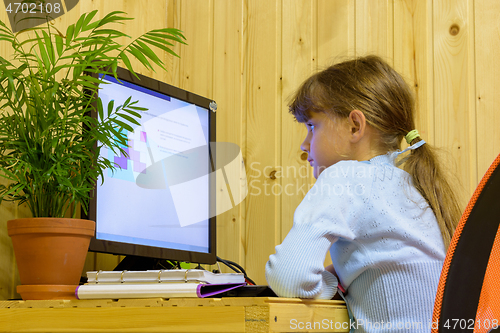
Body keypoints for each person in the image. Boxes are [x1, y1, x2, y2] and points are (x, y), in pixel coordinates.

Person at [265, 55, 462, 332]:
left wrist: (332, 284)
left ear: (355, 126)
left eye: (312, 126)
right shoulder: (415, 184)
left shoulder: (345, 175)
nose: (304, 144)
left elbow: (288, 276)